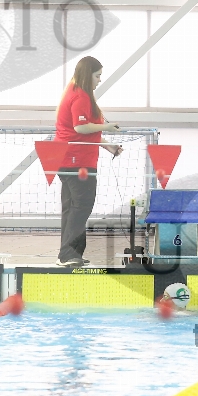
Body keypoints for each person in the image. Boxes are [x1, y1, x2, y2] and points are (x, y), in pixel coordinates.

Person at [54, 56, 123, 267]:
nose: (99, 80)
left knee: (72, 207)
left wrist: (108, 145)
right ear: (87, 75)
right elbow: (80, 128)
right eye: (97, 76)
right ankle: (68, 254)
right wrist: (107, 127)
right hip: (77, 161)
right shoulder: (80, 96)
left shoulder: (73, 91)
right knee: (82, 206)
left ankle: (69, 254)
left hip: (67, 159)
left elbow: (84, 133)